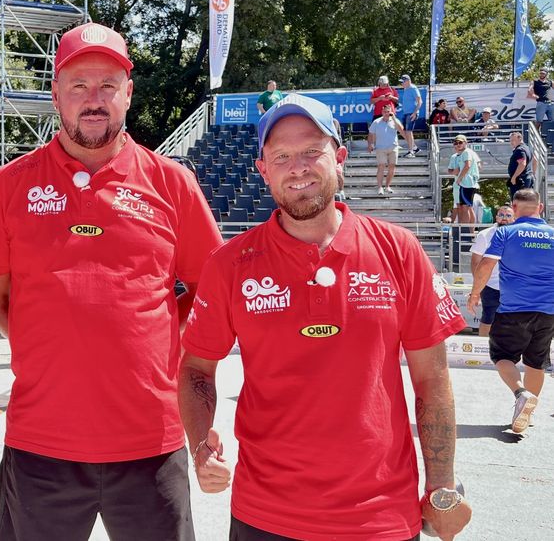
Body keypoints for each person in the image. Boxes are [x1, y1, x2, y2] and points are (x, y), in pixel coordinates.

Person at [178, 92, 472, 541]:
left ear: (338, 157)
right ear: (263, 170)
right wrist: (201, 446)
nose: (297, 167)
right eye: (281, 156)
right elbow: (197, 368)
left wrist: (442, 486)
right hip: (265, 515)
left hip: (380, 517)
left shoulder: (400, 252)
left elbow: (432, 381)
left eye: (311, 151)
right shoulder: (231, 264)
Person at [0, 22, 222, 541]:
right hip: (41, 439)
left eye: (108, 86)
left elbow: (211, 286)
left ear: (128, 93)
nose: (94, 100)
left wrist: (162, 332)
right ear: (56, 95)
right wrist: (43, 338)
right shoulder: (8, 185)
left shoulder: (171, 182)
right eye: (79, 87)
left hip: (149, 442)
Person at [468, 189, 554, 434]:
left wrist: (475, 294)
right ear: (541, 208)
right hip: (548, 310)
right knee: (536, 362)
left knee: (502, 357)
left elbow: (486, 265)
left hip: (514, 308)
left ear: (514, 208)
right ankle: (527, 412)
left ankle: (521, 393)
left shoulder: (506, 232)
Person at [470, 206, 516, 337]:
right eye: (501, 215)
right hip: (490, 284)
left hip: (514, 286)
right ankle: (484, 348)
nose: (504, 218)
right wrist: (478, 286)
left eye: (508, 215)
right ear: (496, 217)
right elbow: (475, 262)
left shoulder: (519, 235)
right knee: (488, 318)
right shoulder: (485, 235)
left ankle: (511, 350)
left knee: (515, 320)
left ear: (514, 218)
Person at [367, 102, 401, 195]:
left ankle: (387, 186)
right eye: (385, 111)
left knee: (392, 167)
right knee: (381, 166)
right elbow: (370, 134)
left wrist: (393, 118)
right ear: (382, 112)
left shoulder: (395, 120)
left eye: (388, 111)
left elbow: (401, 129)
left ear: (391, 112)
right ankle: (379, 187)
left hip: (393, 147)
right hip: (380, 148)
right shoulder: (376, 122)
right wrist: (370, 144)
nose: (387, 113)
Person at [448, 134, 479, 227]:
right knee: (462, 207)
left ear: (466, 143)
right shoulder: (457, 155)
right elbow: (450, 170)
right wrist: (455, 173)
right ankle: (465, 232)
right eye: (456, 143)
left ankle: (466, 233)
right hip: (463, 184)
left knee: (465, 208)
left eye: (460, 142)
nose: (458, 144)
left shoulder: (467, 152)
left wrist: (460, 178)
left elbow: (468, 165)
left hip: (466, 184)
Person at [398, 74, 422, 157]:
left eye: (403, 82)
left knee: (408, 132)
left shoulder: (413, 88)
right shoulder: (406, 89)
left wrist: (415, 113)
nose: (402, 84)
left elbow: (420, 101)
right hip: (406, 113)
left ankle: (411, 151)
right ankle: (415, 148)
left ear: (408, 81)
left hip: (411, 113)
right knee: (405, 132)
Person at [507, 131, 534, 200]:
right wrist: (531, 173)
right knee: (526, 201)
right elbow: (535, 161)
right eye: (510, 140)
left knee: (519, 202)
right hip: (527, 178)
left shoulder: (520, 150)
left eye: (513, 140)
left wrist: (514, 177)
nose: (511, 142)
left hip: (520, 180)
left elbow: (522, 164)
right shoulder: (527, 148)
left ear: (520, 139)